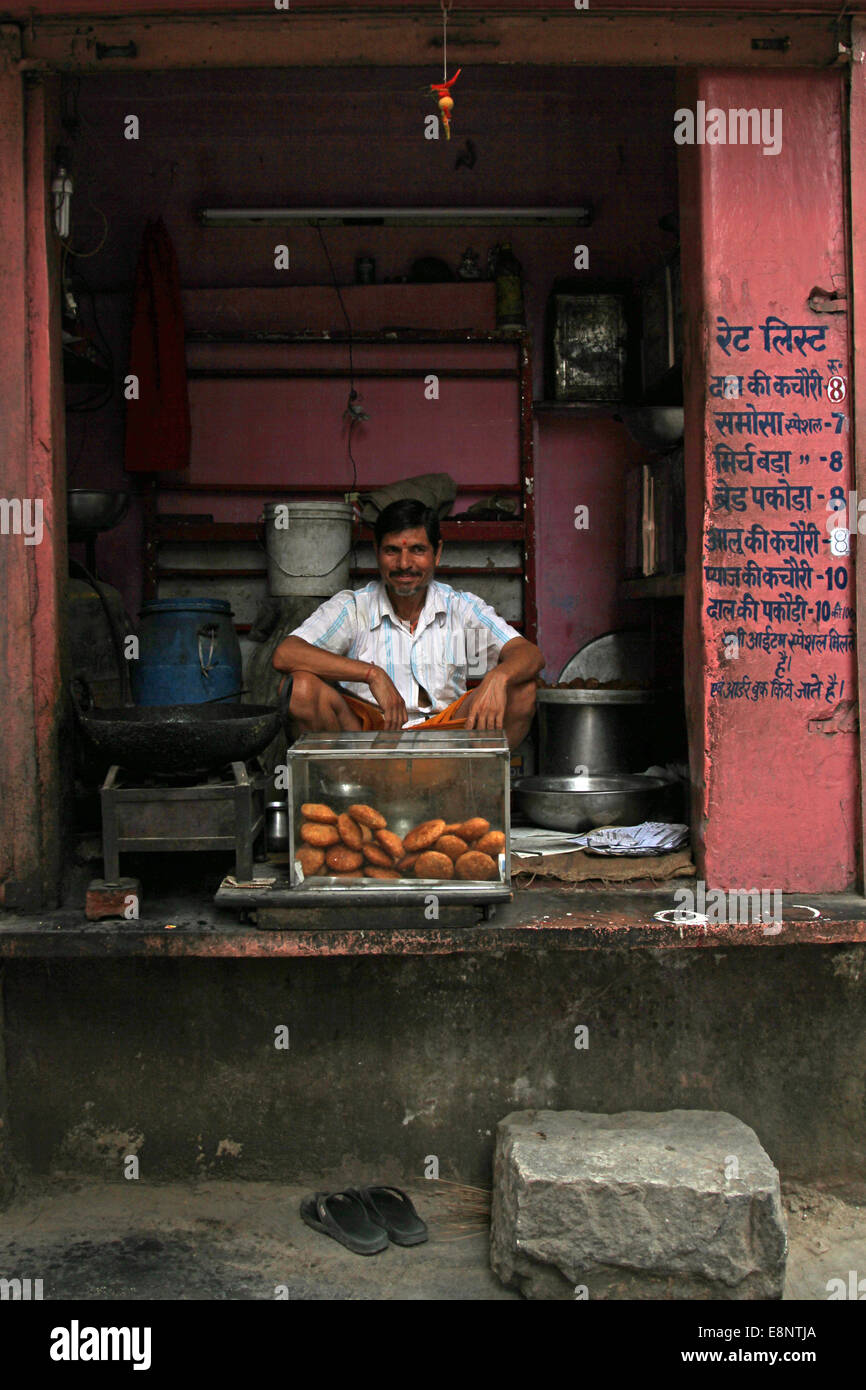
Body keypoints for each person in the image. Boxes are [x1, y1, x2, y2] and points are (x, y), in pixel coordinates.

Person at [272, 498, 544, 750]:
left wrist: (498, 677)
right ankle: (344, 791)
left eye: (417, 550)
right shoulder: (354, 607)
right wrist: (371, 674)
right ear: (377, 552)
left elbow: (529, 654)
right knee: (300, 688)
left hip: (449, 740)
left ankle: (472, 789)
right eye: (392, 551)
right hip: (369, 738)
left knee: (521, 689)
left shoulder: (461, 607)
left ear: (436, 553)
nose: (404, 564)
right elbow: (286, 654)